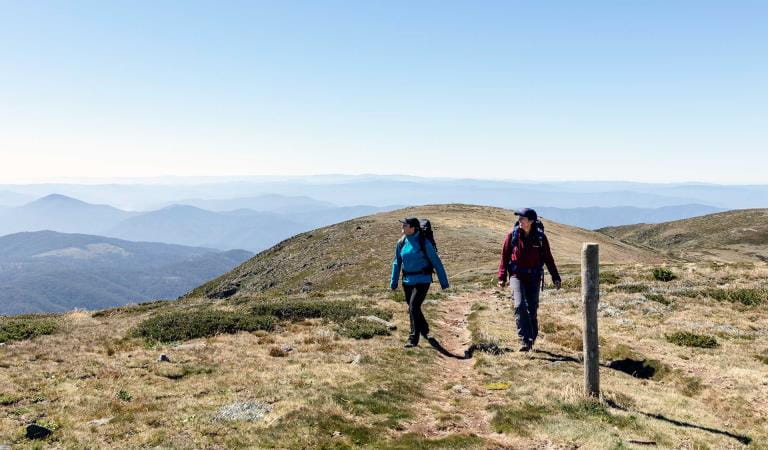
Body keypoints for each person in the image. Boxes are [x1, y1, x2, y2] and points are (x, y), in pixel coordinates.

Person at [498, 208, 561, 352]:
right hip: (516, 276)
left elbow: (548, 259)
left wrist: (555, 277)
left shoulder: (540, 238)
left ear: (531, 221)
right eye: (519, 218)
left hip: (534, 277)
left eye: (523, 219)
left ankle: (531, 337)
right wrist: (502, 276)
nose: (520, 221)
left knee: (532, 310)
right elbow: (504, 257)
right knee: (520, 305)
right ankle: (524, 340)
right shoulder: (512, 236)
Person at [390, 217, 449, 348]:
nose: (403, 227)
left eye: (405, 225)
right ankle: (424, 327)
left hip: (423, 280)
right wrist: (393, 282)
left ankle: (413, 338)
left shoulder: (424, 242)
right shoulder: (401, 242)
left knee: (413, 307)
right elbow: (397, 262)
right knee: (413, 308)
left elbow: (436, 262)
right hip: (407, 280)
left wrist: (444, 283)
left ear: (413, 228)